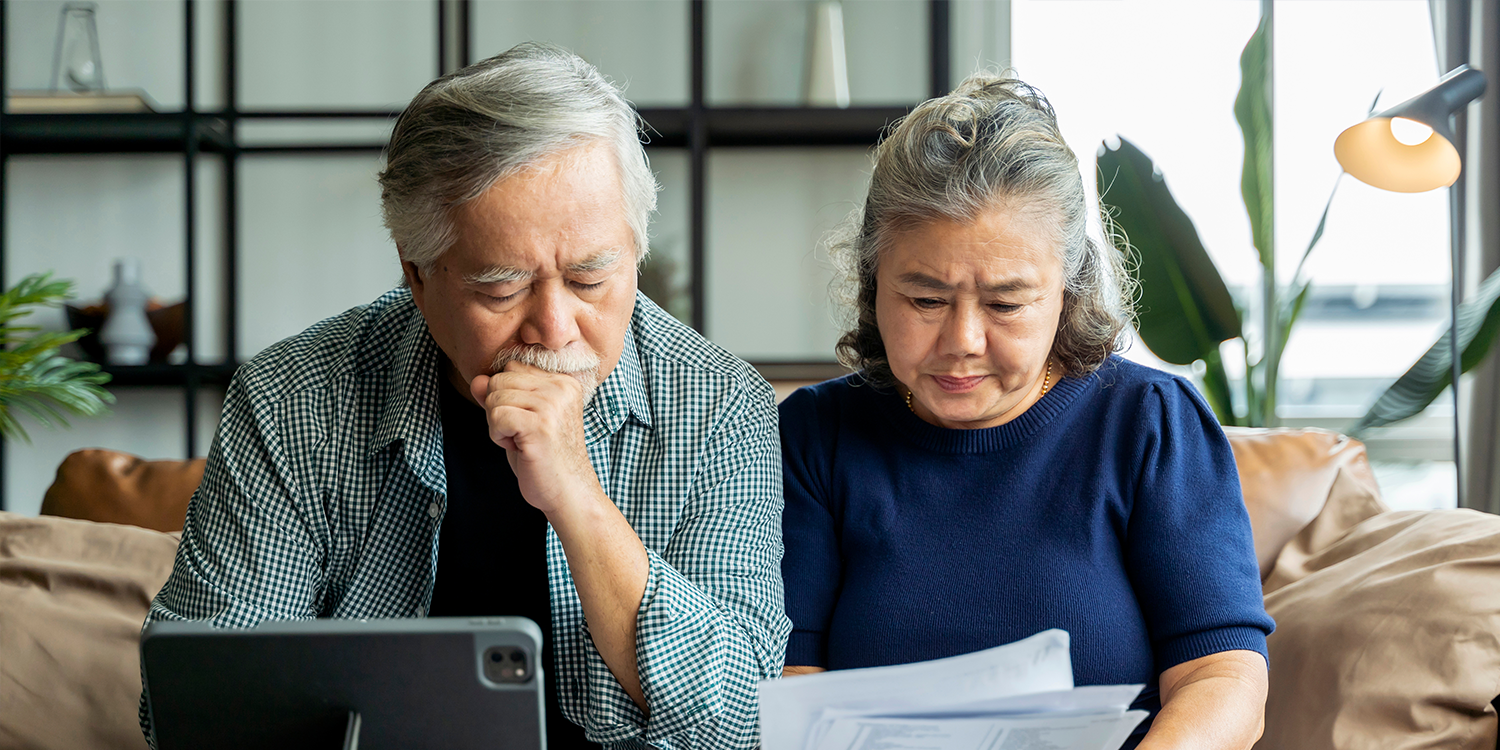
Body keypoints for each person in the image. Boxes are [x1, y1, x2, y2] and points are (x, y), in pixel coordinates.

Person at [140, 43, 790, 750]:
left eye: (591, 278)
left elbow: (740, 721)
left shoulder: (720, 405)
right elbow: (195, 707)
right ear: (417, 277)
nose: (555, 326)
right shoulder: (294, 400)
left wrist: (576, 495)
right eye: (502, 288)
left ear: (634, 246)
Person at [778, 73, 1274, 750]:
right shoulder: (816, 437)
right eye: (925, 300)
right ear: (873, 287)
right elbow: (790, 677)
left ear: (1067, 296)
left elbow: (1224, 677)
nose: (962, 343)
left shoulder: (1149, 422)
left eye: (1006, 304)